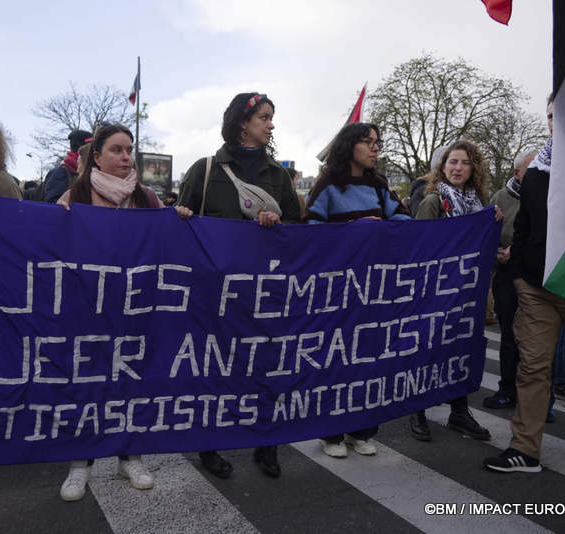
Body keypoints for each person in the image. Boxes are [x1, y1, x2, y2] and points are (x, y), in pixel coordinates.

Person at [55, 124, 190, 500]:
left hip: (136, 308)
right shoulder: (76, 194)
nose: (126, 157)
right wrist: (55, 219)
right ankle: (80, 462)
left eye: (129, 149)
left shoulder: (146, 198)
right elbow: (54, 244)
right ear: (96, 157)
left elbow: (170, 245)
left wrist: (178, 219)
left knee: (132, 381)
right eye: (116, 150)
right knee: (85, 382)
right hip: (87, 309)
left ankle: (130, 454)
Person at [483, 95, 565, 473]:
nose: (554, 122)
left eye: (563, 114)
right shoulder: (538, 169)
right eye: (550, 116)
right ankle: (525, 449)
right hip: (537, 285)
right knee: (533, 365)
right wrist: (522, 267)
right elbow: (526, 222)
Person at [177, 92, 301, 479]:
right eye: (264, 117)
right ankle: (208, 445)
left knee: (266, 369)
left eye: (271, 117)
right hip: (214, 295)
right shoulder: (206, 169)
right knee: (213, 371)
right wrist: (180, 216)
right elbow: (185, 230)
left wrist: (278, 225)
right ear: (242, 122)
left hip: (264, 292)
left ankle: (267, 445)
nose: (271, 124)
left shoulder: (278, 175)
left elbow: (297, 231)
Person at [305, 122, 408, 457]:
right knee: (336, 360)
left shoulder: (380, 186)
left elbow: (402, 222)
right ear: (350, 146)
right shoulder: (328, 187)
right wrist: (353, 230)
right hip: (337, 290)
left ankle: (361, 430)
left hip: (374, 290)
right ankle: (330, 432)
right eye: (369, 142)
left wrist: (456, 227)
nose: (376, 148)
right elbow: (310, 230)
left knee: (368, 358)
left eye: (378, 143)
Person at [410, 140, 502, 443]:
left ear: (473, 168)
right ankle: (417, 411)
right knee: (428, 348)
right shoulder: (434, 201)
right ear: (443, 166)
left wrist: (493, 223)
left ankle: (459, 412)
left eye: (464, 163)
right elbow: (420, 248)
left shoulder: (478, 204)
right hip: (435, 290)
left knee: (460, 348)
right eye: (452, 162)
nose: (458, 168)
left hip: (465, 292)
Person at [483, 150, 535, 409]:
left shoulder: (545, 195)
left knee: (536, 339)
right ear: (517, 172)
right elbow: (485, 235)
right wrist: (497, 253)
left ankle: (537, 400)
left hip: (534, 274)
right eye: (531, 167)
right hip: (506, 275)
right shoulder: (500, 198)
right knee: (508, 336)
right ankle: (506, 389)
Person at [43, 129, 92, 203]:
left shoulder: (90, 172)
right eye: (91, 147)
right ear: (81, 147)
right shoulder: (60, 173)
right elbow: (53, 206)